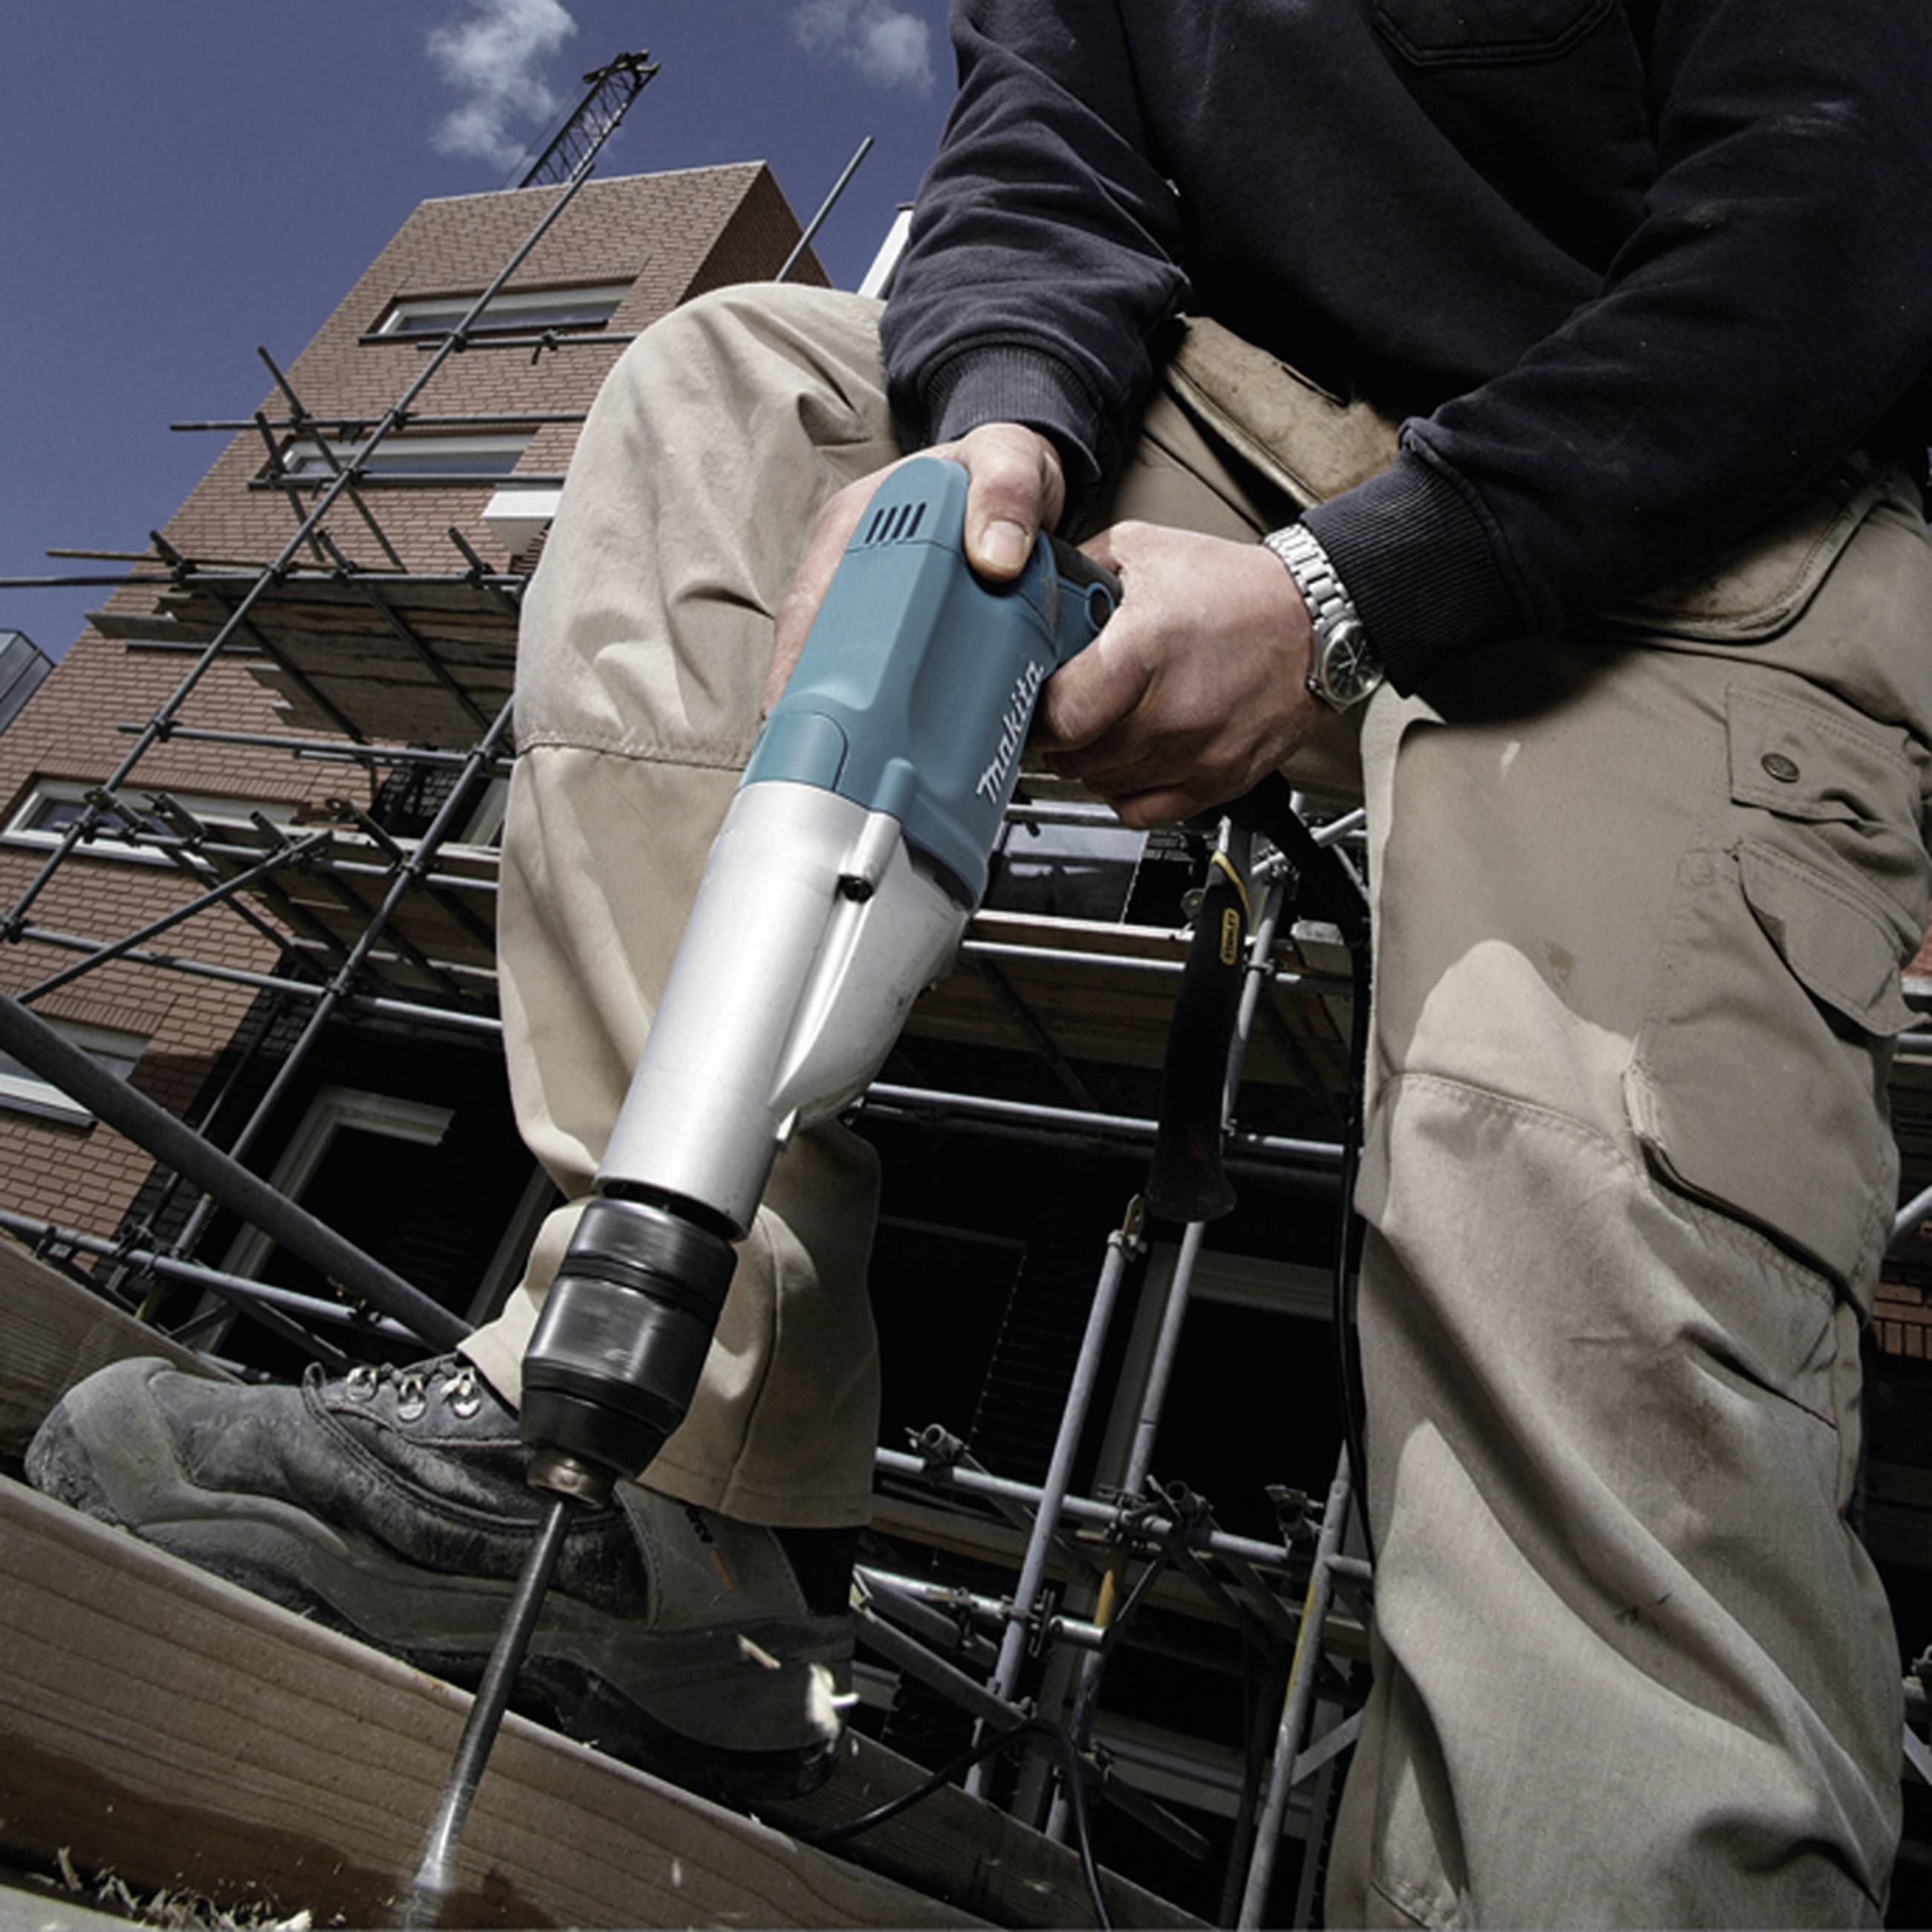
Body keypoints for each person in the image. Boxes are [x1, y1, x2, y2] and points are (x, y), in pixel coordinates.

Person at [30, 0, 1932, 1920]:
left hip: (1707, 466)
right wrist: (1005, 438)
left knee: (1553, 1174)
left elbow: (1836, 207)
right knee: (743, 410)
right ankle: (673, 1492)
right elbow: (1049, 148)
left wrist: (1347, 595)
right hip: (1249, 400)